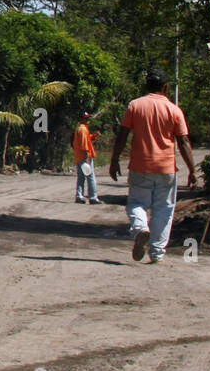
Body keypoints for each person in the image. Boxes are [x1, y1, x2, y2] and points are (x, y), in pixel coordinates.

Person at [109, 69, 197, 264]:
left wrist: (114, 160)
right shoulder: (174, 110)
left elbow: (122, 135)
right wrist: (192, 170)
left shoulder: (135, 106)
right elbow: (183, 142)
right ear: (165, 87)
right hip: (166, 169)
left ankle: (141, 228)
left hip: (140, 166)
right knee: (164, 210)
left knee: (136, 203)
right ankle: (156, 252)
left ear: (146, 85)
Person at [72, 112, 100, 204]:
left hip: (79, 156)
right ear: (82, 119)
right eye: (86, 118)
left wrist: (93, 136)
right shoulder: (83, 129)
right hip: (84, 157)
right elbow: (85, 145)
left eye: (88, 118)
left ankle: (79, 196)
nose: (88, 120)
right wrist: (87, 159)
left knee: (81, 177)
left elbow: (86, 140)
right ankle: (93, 197)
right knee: (90, 176)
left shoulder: (80, 128)